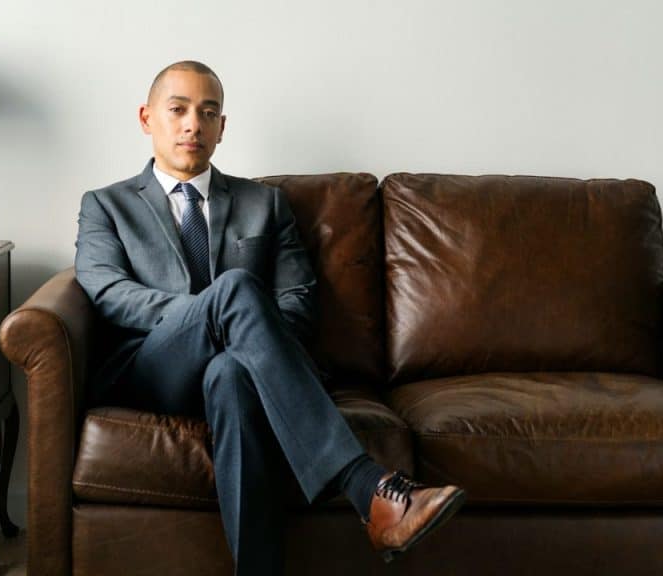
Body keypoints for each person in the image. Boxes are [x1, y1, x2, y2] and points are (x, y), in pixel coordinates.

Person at [75, 60, 465, 574]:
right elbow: (109, 293)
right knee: (235, 288)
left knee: (232, 374)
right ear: (147, 118)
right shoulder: (106, 205)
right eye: (178, 110)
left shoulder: (265, 204)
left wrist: (232, 330)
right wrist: (212, 313)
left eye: (208, 112)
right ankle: (365, 484)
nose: (193, 124)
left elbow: (297, 301)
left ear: (222, 127)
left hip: (244, 368)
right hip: (153, 367)